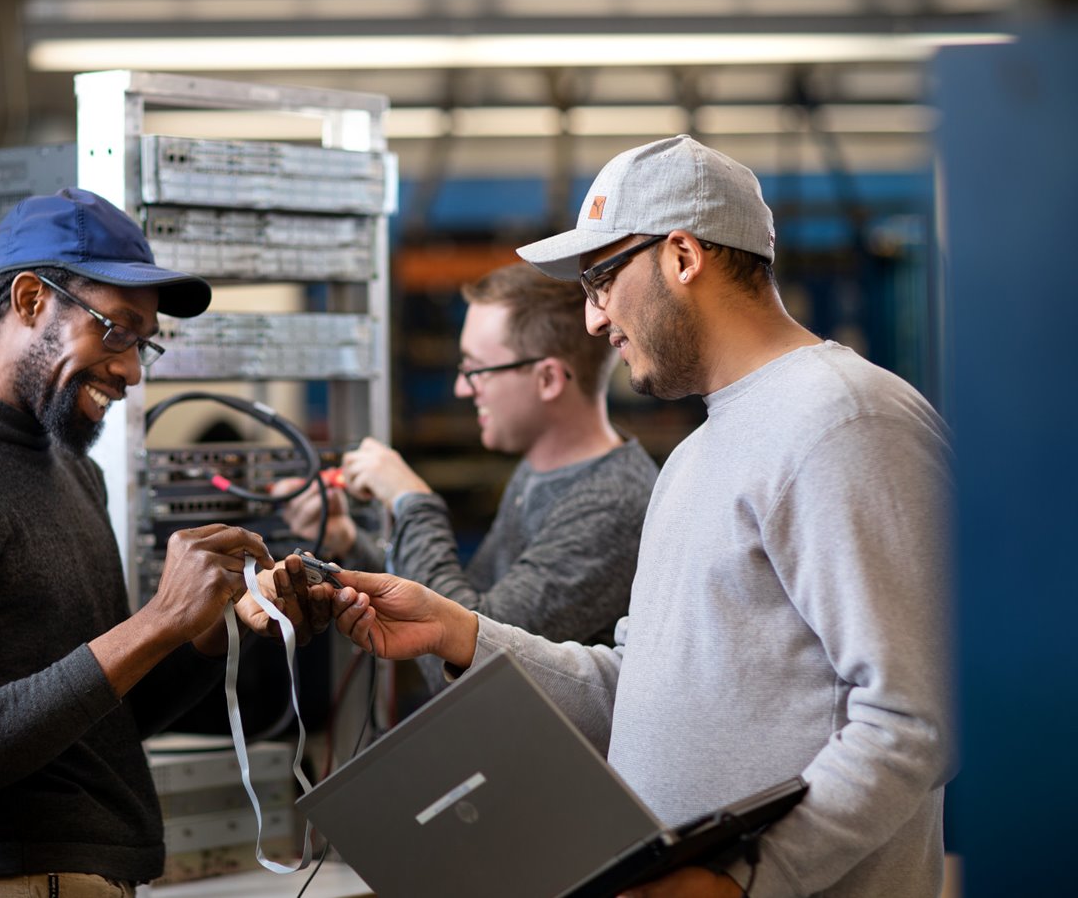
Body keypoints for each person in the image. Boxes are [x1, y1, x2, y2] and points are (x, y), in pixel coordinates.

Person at [323, 135, 953, 898]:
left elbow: (914, 715)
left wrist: (748, 876)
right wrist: (464, 633)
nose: (592, 319)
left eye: (601, 279)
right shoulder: (694, 456)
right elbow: (637, 688)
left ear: (682, 256)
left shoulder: (845, 421)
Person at [0, 187, 319, 895]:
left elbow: (104, 721)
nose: (131, 369)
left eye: (143, 341)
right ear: (31, 300)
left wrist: (216, 631)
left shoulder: (69, 469)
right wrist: (155, 619)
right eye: (115, 329)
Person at [283, 262, 658, 691]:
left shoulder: (611, 505)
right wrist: (348, 543)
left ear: (548, 379)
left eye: (476, 369)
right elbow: (456, 608)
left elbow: (465, 667)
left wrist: (413, 502)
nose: (463, 389)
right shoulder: (542, 471)